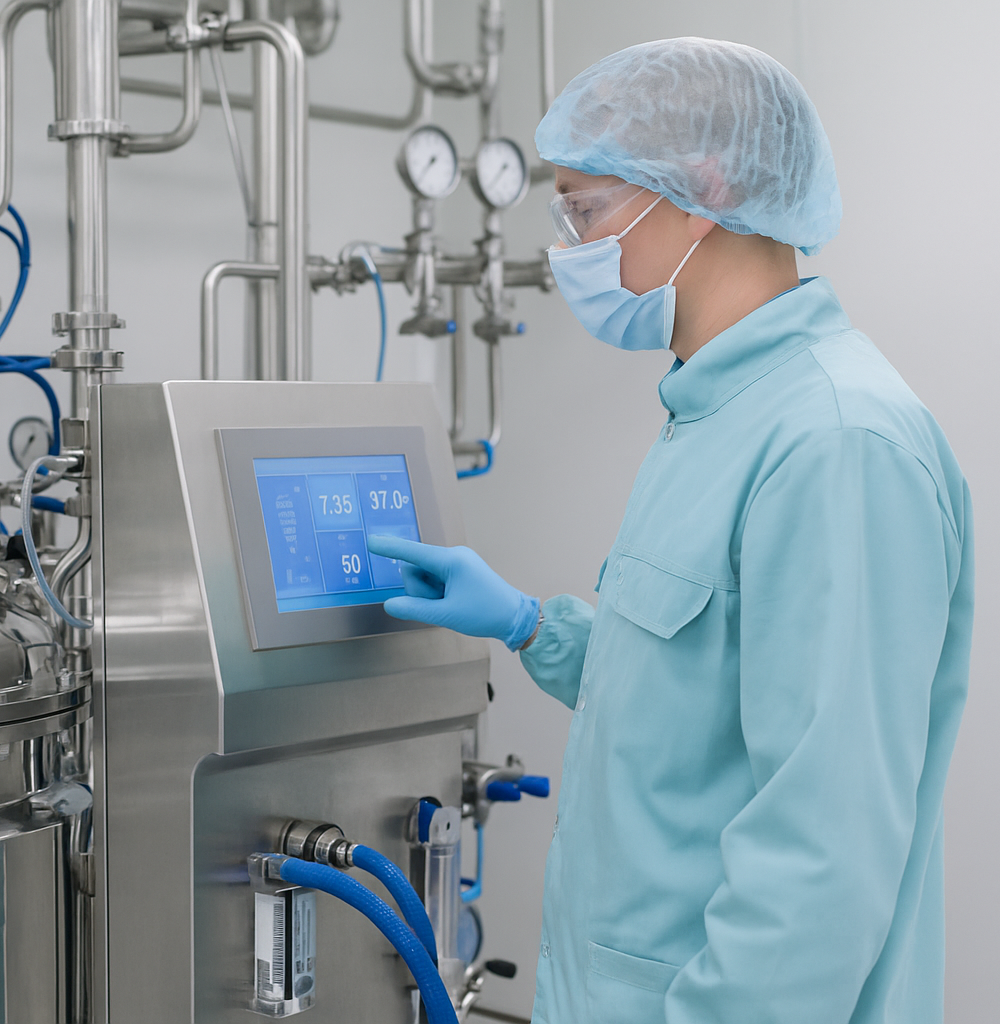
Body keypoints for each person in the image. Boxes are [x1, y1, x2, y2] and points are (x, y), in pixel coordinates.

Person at [368, 37, 972, 1024]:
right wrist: (528, 623)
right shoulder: (716, 412)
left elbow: (819, 865)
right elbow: (701, 689)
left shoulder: (834, 442)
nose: (566, 251)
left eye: (587, 211)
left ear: (702, 189)